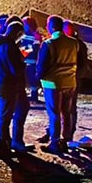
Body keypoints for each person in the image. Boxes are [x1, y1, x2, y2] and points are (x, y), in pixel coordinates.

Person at [0, 14, 29, 158]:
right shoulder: (10, 46)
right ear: (17, 33)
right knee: (5, 118)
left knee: (0, 115)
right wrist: (22, 65)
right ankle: (2, 147)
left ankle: (5, 142)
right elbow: (15, 69)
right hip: (7, 85)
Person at [35, 15, 78, 154]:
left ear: (52, 27)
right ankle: (66, 141)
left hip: (53, 84)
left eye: (48, 25)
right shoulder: (74, 43)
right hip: (70, 82)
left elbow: (42, 66)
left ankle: (54, 142)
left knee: (54, 114)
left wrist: (37, 78)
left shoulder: (48, 44)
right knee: (67, 113)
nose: (46, 27)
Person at [62, 21, 90, 139]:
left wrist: (77, 76)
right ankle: (61, 132)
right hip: (67, 78)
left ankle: (69, 132)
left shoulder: (78, 45)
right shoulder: (69, 43)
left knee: (70, 106)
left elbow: (82, 63)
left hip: (72, 79)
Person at [18, 15, 43, 103]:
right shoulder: (22, 35)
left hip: (32, 61)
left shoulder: (36, 37)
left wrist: (23, 51)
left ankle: (34, 95)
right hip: (23, 61)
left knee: (32, 79)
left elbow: (35, 48)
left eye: (25, 24)